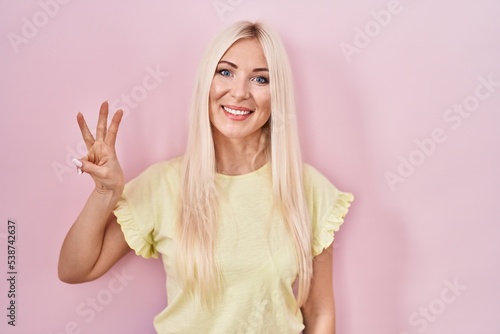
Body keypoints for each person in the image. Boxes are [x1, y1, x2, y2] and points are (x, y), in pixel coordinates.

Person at [58, 20, 354, 334]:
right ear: (206, 82)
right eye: (225, 72)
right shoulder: (163, 184)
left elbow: (320, 314)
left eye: (260, 79)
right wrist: (105, 194)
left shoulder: (309, 189)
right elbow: (74, 270)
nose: (239, 92)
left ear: (277, 93)